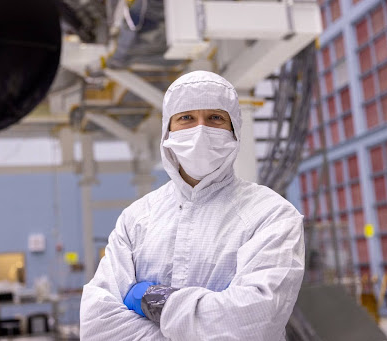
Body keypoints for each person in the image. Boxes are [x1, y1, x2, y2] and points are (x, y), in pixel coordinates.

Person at [80, 71, 305, 340]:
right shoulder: (136, 219)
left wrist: (156, 301)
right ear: (168, 131)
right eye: (186, 118)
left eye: (215, 118)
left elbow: (254, 322)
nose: (200, 130)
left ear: (234, 131)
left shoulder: (271, 215)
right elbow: (98, 325)